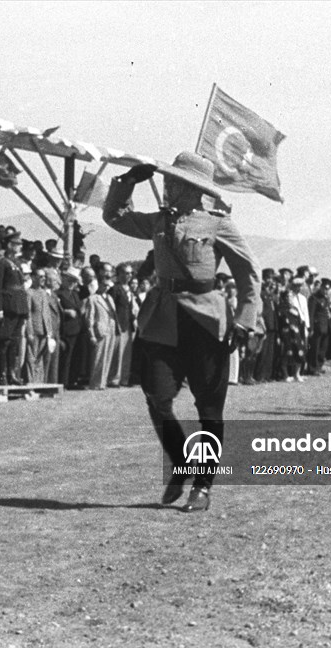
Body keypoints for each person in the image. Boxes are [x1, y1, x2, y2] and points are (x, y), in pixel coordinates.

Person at [102, 151, 261, 512]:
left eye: (174, 182)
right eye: (167, 180)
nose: (167, 186)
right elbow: (115, 217)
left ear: (192, 189)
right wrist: (127, 182)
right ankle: (180, 460)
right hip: (163, 319)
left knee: (209, 409)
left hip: (206, 321)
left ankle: (202, 486)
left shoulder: (218, 224)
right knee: (157, 395)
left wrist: (245, 318)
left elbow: (249, 272)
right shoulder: (159, 220)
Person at [0, 232, 30, 385]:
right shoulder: (2, 263)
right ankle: (2, 373)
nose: (20, 246)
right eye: (17, 244)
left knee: (14, 342)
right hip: (9, 306)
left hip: (19, 305)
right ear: (9, 245)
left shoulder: (17, 263)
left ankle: (11, 373)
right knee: (5, 341)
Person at [84, 263, 118, 390]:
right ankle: (95, 383)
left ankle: (103, 382)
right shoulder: (93, 298)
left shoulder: (109, 298)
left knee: (107, 357)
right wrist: (91, 334)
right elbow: (89, 318)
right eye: (104, 285)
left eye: (107, 286)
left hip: (110, 330)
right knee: (98, 358)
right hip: (99, 330)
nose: (105, 288)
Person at [108, 263, 135, 387]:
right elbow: (111, 308)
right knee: (117, 353)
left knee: (126, 353)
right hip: (119, 325)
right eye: (126, 273)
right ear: (119, 274)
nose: (129, 275)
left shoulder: (130, 289)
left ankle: (124, 378)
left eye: (130, 273)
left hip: (128, 325)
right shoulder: (115, 289)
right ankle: (114, 379)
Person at [281, 277, 309, 382]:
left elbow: (304, 315)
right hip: (287, 333)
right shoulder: (282, 308)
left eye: (291, 297)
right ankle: (286, 374)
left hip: (298, 332)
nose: (290, 298)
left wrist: (306, 328)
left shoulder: (300, 302)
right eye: (288, 297)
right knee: (287, 353)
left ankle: (297, 374)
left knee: (299, 352)